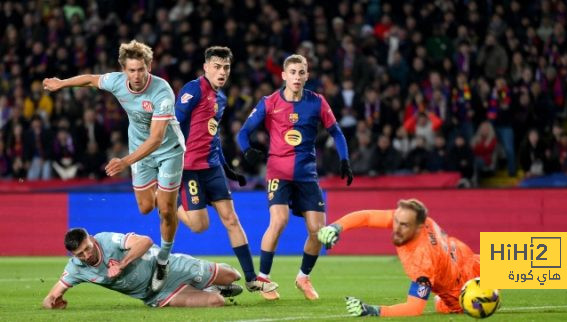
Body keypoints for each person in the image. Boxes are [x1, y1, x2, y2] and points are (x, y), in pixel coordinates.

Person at [318, 199, 567, 317]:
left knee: (444, 306)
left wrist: (373, 311)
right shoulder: (415, 219)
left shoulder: (420, 262)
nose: (394, 227)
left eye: (401, 225)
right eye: (395, 222)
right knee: (520, 262)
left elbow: (413, 308)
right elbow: (370, 216)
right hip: (468, 260)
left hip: (456, 288)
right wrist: (337, 225)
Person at [43, 40, 185, 292]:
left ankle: (163, 258)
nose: (137, 75)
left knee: (164, 210)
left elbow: (156, 138)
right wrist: (62, 83)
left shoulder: (162, 91)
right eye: (131, 70)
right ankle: (169, 200)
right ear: (123, 70)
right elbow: (89, 79)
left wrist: (125, 161)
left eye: (141, 69)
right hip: (139, 151)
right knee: (145, 207)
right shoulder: (116, 81)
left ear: (149, 66)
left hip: (168, 151)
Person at [237, 54, 353, 300]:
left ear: (307, 75)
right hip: (278, 173)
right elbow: (243, 132)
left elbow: (337, 133)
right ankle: (264, 279)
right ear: (284, 75)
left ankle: (303, 277)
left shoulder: (317, 102)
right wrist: (247, 151)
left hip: (307, 176)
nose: (297, 77)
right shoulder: (269, 102)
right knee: (278, 221)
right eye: (293, 72)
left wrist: (344, 159)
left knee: (317, 230)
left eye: (301, 72)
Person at [174, 46, 277, 295]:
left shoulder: (220, 98)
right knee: (200, 226)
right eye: (217, 67)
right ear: (206, 67)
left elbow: (213, 136)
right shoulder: (193, 89)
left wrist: (227, 168)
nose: (222, 72)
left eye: (226, 67)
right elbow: (173, 123)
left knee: (232, 219)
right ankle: (167, 203)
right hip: (189, 169)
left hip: (211, 168)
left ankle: (252, 279)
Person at [42, 228, 243, 309]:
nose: (86, 255)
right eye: (80, 254)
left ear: (91, 239)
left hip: (168, 267)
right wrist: (53, 302)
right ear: (73, 255)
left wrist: (122, 264)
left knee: (233, 276)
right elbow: (49, 298)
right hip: (157, 295)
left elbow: (145, 241)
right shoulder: (76, 268)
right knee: (216, 302)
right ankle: (214, 290)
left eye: (87, 248)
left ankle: (218, 281)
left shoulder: (107, 240)